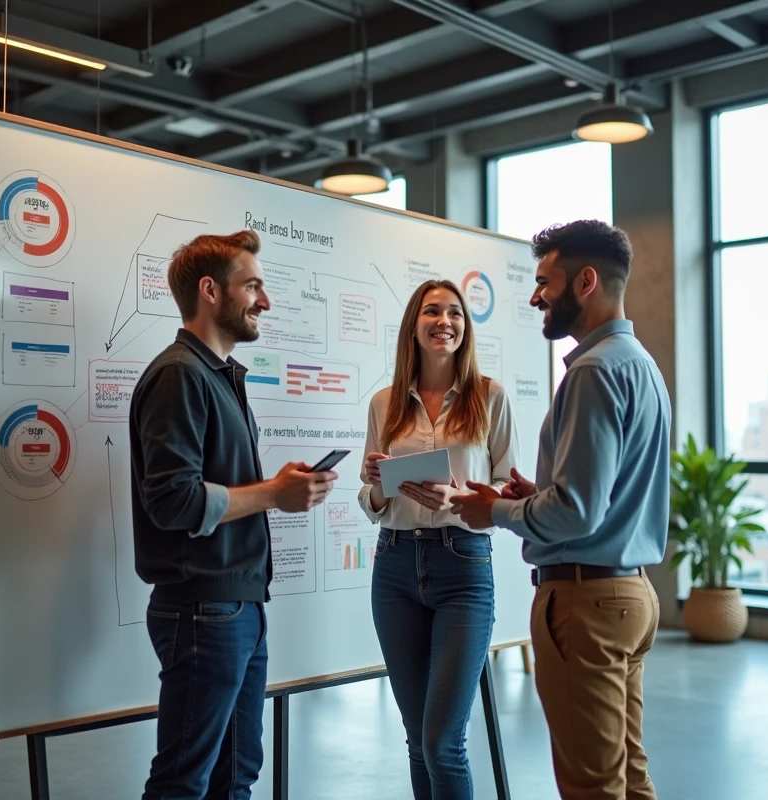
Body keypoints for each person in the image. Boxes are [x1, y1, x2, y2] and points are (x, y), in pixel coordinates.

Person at [452, 220, 671, 800]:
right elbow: (604, 494)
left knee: (590, 787)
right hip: (629, 594)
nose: (534, 296)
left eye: (545, 281)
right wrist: (533, 497)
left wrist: (494, 511)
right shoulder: (638, 363)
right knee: (627, 777)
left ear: (587, 281)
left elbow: (577, 514)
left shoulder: (593, 372)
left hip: (586, 602)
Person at [128, 229, 337, 800]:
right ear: (210, 292)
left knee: (236, 774)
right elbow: (173, 501)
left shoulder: (218, 375)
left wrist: (274, 485)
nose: (264, 301)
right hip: (203, 609)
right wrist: (273, 493)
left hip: (237, 606)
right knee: (183, 783)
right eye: (253, 286)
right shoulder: (180, 374)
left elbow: (210, 487)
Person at [358, 279, 520, 800]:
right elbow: (370, 496)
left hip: (464, 567)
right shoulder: (384, 403)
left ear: (465, 328)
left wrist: (461, 497)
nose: (444, 321)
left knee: (442, 742)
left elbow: (511, 487)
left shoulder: (490, 396)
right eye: (432, 311)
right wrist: (377, 486)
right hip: (395, 564)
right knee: (415, 739)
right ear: (414, 325)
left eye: (454, 313)